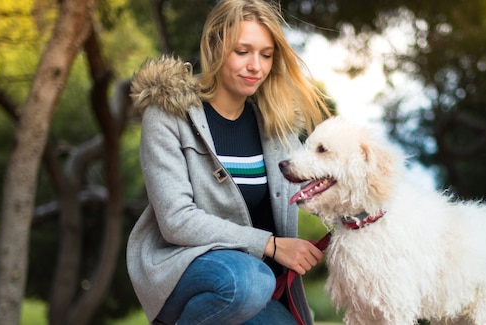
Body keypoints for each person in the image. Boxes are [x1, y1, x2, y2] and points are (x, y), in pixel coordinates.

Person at [126, 0, 332, 324]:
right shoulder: (168, 116)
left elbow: (318, 189)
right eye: (242, 51)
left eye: (266, 55)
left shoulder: (276, 129)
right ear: (214, 47)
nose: (256, 66)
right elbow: (176, 219)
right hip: (185, 270)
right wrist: (270, 245)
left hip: (258, 284)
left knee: (257, 288)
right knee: (248, 282)